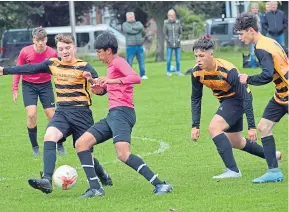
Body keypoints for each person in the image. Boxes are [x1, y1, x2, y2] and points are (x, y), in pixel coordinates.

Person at [0, 33, 112, 194]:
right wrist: (5, 70)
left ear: (74, 48)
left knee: (84, 152)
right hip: (62, 112)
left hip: (82, 114)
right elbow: (30, 68)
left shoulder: (85, 66)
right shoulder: (52, 63)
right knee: (49, 136)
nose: (65, 51)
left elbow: (101, 90)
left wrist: (96, 86)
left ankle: (102, 174)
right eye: (61, 48)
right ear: (57, 50)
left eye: (67, 48)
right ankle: (46, 180)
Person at [74, 31, 173, 198]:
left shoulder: (119, 62)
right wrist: (94, 83)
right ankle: (95, 189)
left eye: (99, 51)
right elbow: (105, 90)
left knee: (123, 154)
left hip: (123, 113)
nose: (97, 55)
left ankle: (161, 184)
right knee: (81, 143)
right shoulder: (110, 66)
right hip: (113, 114)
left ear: (109, 50)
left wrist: (110, 81)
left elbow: (135, 78)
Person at [189, 37, 282, 179]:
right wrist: (195, 125)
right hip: (226, 101)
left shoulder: (227, 69)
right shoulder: (196, 73)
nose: (198, 60)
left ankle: (232, 170)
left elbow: (245, 97)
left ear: (211, 54)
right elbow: (196, 98)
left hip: (239, 99)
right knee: (236, 141)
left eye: (201, 56)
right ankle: (271, 154)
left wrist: (251, 127)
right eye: (196, 56)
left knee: (214, 127)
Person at [235, 12, 288, 183]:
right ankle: (274, 172)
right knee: (264, 127)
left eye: (241, 34)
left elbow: (267, 75)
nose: (240, 38)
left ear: (251, 30)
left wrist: (247, 79)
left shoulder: (261, 48)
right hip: (281, 95)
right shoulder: (269, 41)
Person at [12, 27, 65, 156]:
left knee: (52, 115)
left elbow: (58, 72)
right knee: (31, 114)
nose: (40, 43)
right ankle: (35, 147)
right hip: (28, 86)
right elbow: (18, 69)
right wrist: (15, 88)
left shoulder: (52, 53)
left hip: (45, 85)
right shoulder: (25, 52)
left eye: (43, 40)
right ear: (33, 40)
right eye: (38, 40)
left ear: (46, 39)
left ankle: (59, 143)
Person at [122, 12, 148, 80]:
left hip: (139, 46)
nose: (131, 18)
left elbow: (141, 28)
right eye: (130, 17)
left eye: (132, 16)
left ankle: (143, 75)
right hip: (130, 47)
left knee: (141, 61)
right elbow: (128, 31)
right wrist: (137, 30)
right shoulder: (125, 24)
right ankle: (128, 76)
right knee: (129, 62)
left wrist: (133, 28)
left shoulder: (138, 23)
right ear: (127, 18)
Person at [163, 9, 183, 77]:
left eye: (173, 15)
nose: (172, 17)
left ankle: (178, 71)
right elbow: (165, 34)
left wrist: (179, 39)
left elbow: (181, 33)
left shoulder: (178, 23)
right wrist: (168, 40)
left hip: (177, 44)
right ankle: (168, 72)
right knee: (168, 59)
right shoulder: (166, 24)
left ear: (175, 16)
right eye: (170, 16)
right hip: (169, 45)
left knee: (178, 60)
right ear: (168, 16)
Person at [249, 3, 264, 68]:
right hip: (252, 37)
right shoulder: (249, 17)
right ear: (251, 9)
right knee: (252, 52)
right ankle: (253, 66)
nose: (255, 10)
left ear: (258, 9)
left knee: (261, 51)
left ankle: (262, 65)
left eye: (256, 8)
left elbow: (263, 25)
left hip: (260, 36)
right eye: (253, 8)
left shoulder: (261, 15)